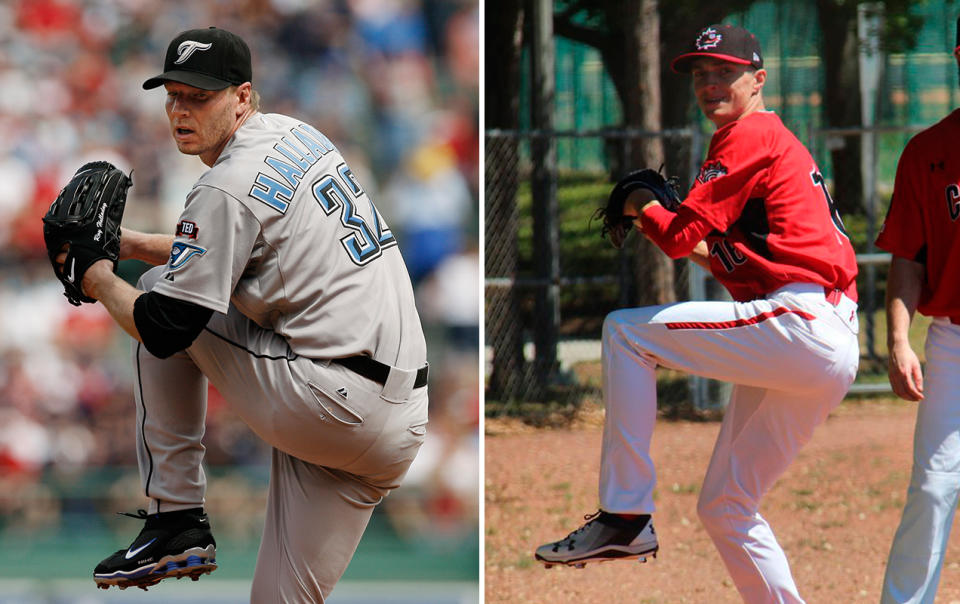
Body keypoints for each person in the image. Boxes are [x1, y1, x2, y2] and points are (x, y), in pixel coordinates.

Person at [68, 27, 430, 601]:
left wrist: (96, 277)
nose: (181, 111)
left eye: (200, 97)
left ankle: (175, 516)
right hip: (397, 419)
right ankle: (177, 520)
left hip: (330, 399)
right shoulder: (296, 135)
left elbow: (167, 327)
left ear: (242, 96)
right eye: (174, 95)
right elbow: (237, 249)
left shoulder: (225, 186)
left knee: (160, 296)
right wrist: (129, 244)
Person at [534, 23, 860, 603]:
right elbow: (731, 261)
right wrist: (660, 217)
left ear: (758, 80)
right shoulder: (775, 142)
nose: (710, 83)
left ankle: (625, 515)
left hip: (801, 324)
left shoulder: (749, 133)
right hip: (820, 335)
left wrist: (641, 204)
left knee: (624, 334)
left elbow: (681, 239)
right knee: (726, 506)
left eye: (725, 71)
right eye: (701, 74)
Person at [877, 21, 960, 604]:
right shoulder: (928, 151)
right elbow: (907, 256)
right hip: (953, 345)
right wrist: (899, 341)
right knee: (933, 489)